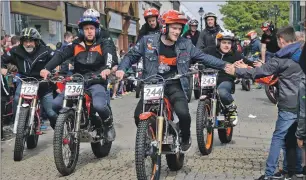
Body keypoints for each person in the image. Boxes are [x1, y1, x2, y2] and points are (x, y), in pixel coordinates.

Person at [115, 10, 231, 152]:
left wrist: (224, 65)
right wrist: (121, 69)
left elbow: (203, 57)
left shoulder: (186, 44)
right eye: (174, 28)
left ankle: (185, 136)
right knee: (138, 115)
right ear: (165, 27)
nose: (177, 32)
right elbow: (130, 56)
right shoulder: (148, 41)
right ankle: (149, 136)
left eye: (179, 28)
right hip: (153, 85)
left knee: (183, 114)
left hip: (175, 84)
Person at [226, 26, 304, 180]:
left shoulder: (282, 58)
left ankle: (269, 174)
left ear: (281, 40)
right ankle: (294, 170)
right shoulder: (301, 54)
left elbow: (259, 73)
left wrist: (237, 71)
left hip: (288, 104)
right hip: (303, 103)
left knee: (278, 138)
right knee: (294, 136)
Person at [40, 16, 118, 142]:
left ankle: (108, 125)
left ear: (96, 30)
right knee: (55, 105)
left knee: (99, 106)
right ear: (81, 31)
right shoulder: (76, 44)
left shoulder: (104, 42)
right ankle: (65, 128)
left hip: (96, 81)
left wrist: (107, 68)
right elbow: (61, 55)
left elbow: (109, 55)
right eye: (86, 28)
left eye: (92, 28)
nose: (89, 31)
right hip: (77, 81)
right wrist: (47, 68)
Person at [1, 28, 58, 129]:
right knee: (16, 99)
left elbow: (58, 57)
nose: (28, 44)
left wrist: (56, 68)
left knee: (51, 112)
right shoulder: (16, 50)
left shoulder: (45, 50)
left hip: (43, 84)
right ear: (22, 42)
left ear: (36, 41)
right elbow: (2, 59)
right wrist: (3, 68)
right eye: (25, 41)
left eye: (31, 41)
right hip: (25, 82)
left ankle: (60, 132)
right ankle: (17, 123)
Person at [203, 30, 254, 126]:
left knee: (222, 91)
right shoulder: (209, 50)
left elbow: (250, 64)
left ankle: (232, 109)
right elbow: (197, 56)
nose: (226, 45)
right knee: (204, 95)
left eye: (229, 43)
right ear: (218, 42)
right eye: (224, 42)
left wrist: (255, 66)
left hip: (226, 79)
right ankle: (205, 112)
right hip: (208, 78)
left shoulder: (236, 54)